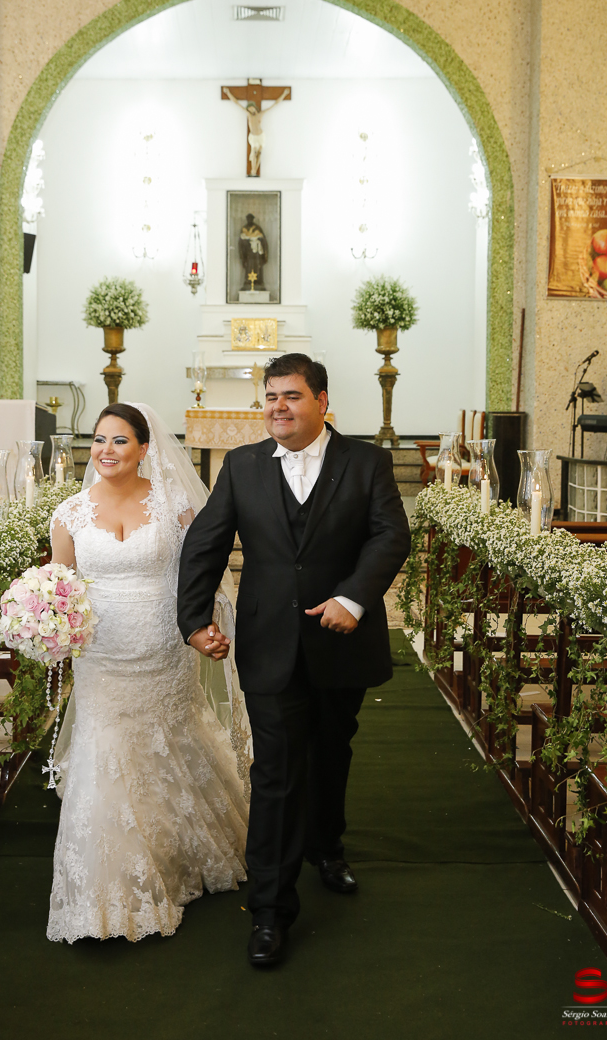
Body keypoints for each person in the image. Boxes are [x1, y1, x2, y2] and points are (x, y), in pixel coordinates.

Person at [177, 353, 411, 968]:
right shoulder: (242, 466)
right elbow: (206, 542)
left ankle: (327, 848)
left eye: (292, 396)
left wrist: (354, 598)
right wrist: (195, 620)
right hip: (270, 643)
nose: (278, 406)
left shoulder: (367, 462)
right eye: (271, 396)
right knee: (276, 770)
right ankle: (271, 911)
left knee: (332, 748)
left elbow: (391, 535)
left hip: (343, 639)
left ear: (322, 401)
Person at [47, 402, 249, 944]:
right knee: (104, 751)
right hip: (103, 656)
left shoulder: (177, 506)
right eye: (98, 440)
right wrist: (43, 624)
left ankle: (180, 850)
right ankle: (109, 896)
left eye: (118, 441)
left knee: (171, 738)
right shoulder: (67, 515)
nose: (105, 451)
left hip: (163, 646)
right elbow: (59, 589)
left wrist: (204, 627)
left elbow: (200, 572)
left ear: (143, 448)